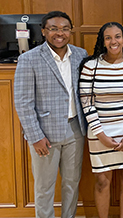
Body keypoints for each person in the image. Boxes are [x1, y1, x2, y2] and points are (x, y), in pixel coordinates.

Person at [14, 11, 88, 218]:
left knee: (72, 183)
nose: (60, 33)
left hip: (75, 129)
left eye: (65, 29)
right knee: (44, 187)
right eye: (54, 29)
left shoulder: (80, 54)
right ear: (44, 31)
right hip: (44, 133)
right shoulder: (29, 59)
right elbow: (23, 101)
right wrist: (35, 136)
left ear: (70, 32)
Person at [79, 22, 123, 218]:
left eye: (117, 36)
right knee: (101, 180)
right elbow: (87, 104)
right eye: (108, 37)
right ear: (103, 41)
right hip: (99, 131)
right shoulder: (91, 67)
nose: (113, 41)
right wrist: (101, 135)